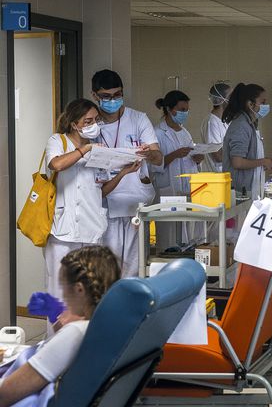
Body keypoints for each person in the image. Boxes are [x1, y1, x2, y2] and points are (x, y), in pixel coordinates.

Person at [0, 246, 121, 405]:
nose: (63, 295)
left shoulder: (76, 333)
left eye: (63, 286)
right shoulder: (108, 326)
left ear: (79, 289)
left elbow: (4, 395)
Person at [44, 100, 138, 299]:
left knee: (88, 293)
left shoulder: (98, 149)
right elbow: (57, 165)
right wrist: (84, 150)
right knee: (59, 292)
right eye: (88, 121)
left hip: (92, 229)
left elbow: (100, 191)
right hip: (63, 232)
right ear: (74, 124)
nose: (94, 124)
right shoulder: (58, 141)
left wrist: (123, 173)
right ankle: (58, 332)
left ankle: (84, 331)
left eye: (96, 120)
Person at [91, 70, 162, 277]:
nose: (113, 100)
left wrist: (150, 154)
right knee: (106, 272)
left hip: (135, 204)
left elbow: (158, 156)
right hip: (106, 205)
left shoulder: (138, 119)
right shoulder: (91, 124)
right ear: (95, 95)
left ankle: (130, 308)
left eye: (117, 94)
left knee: (134, 269)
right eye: (106, 96)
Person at [153, 90, 204, 250]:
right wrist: (174, 155)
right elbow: (153, 165)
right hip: (169, 191)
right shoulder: (157, 133)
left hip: (186, 189)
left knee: (188, 237)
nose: (185, 113)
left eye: (186, 110)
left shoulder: (184, 132)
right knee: (169, 238)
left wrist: (198, 159)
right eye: (181, 109)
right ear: (169, 109)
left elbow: (190, 158)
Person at [222, 83, 272, 200]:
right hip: (240, 193)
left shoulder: (250, 124)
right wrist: (262, 162)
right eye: (262, 102)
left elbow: (250, 155)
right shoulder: (241, 126)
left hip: (250, 190)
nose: (265, 106)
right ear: (250, 104)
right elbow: (237, 162)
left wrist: (266, 161)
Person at [201, 82, 231, 173]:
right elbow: (217, 155)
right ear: (222, 100)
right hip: (217, 177)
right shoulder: (212, 122)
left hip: (226, 175)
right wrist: (239, 156)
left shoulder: (225, 121)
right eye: (231, 97)